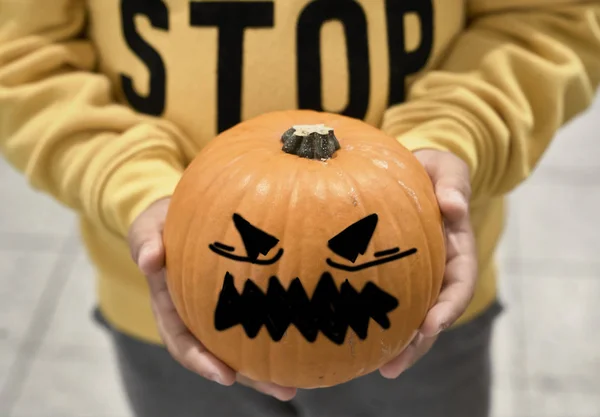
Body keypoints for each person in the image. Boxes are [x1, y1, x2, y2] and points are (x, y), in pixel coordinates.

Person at [1, 1, 599, 416]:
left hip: (420, 294)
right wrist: (131, 182)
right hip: (171, 290)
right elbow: (20, 54)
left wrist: (460, 129)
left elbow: (547, 21)